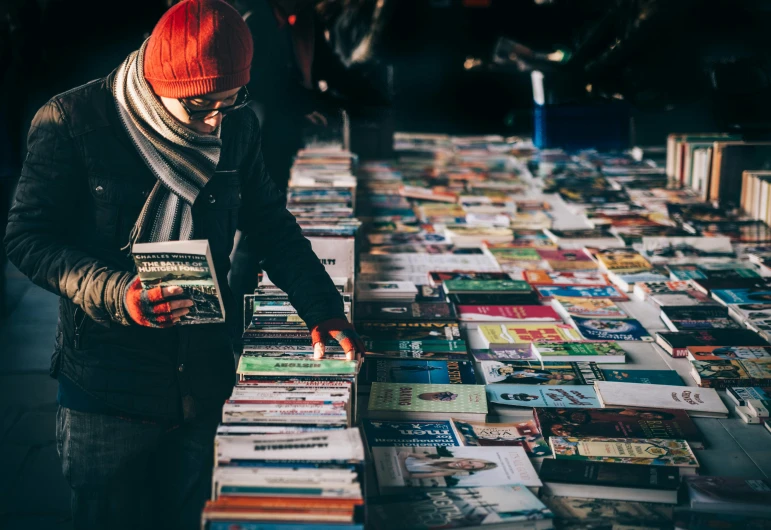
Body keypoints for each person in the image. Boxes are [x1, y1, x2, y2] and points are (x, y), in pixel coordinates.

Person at [3, 1, 364, 528]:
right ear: (158, 81)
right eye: (199, 107)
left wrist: (322, 307)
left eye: (231, 99)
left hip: (201, 378)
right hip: (107, 390)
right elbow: (27, 238)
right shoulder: (72, 122)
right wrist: (117, 291)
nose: (216, 119)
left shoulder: (235, 126)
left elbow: (270, 225)